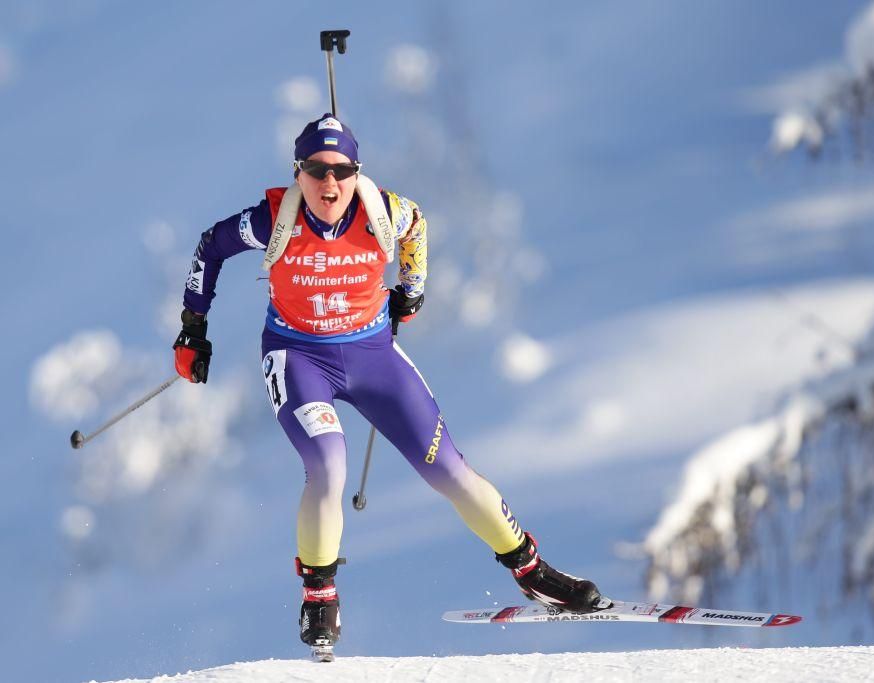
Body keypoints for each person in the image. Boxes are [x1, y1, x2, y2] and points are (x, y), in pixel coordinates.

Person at [172, 114, 604, 651]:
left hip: (373, 354)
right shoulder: (271, 219)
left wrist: (411, 289)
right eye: (316, 170)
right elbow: (208, 246)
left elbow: (417, 225)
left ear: (357, 172)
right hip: (298, 356)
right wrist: (193, 329)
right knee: (328, 462)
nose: (329, 184)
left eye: (342, 170)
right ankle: (319, 594)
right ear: (298, 172)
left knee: (450, 470)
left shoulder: (383, 211)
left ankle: (531, 570)